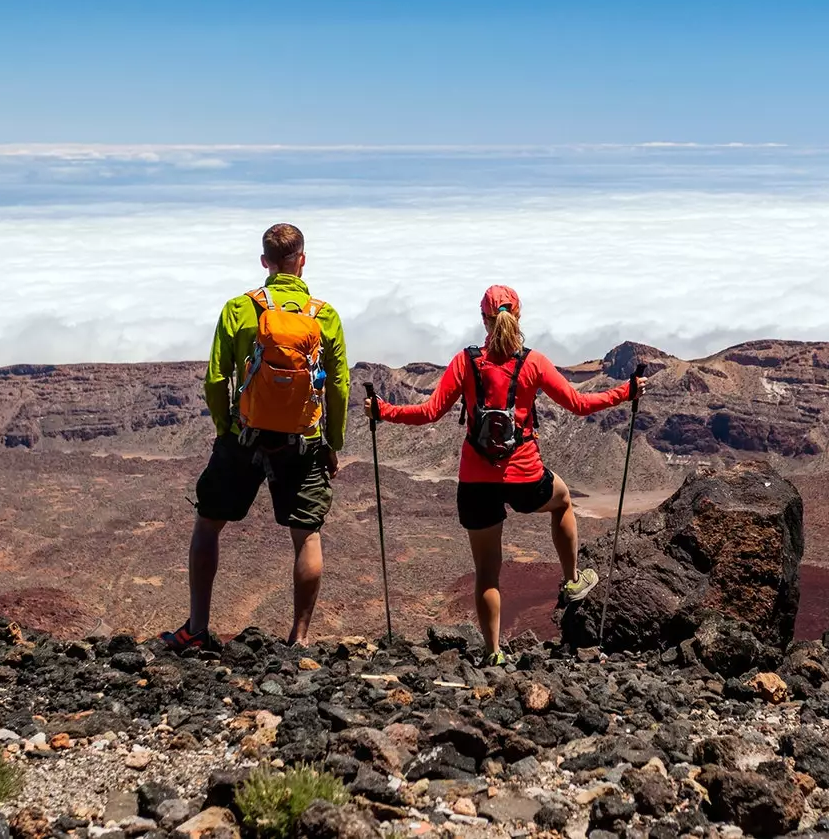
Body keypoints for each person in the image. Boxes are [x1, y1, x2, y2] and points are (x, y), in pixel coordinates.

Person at [365, 285, 643, 665]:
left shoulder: (466, 362)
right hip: (524, 475)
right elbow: (579, 404)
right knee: (561, 501)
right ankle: (573, 580)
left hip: (476, 481)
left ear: (483, 319)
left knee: (487, 572)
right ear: (519, 317)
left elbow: (430, 412)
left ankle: (493, 653)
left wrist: (383, 410)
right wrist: (625, 392)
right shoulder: (533, 363)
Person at [163, 223, 349, 649]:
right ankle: (299, 640)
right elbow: (338, 386)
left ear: (265, 262)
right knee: (307, 533)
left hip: (242, 438)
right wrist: (332, 443)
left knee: (208, 525)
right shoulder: (325, 315)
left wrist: (226, 428)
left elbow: (214, 379)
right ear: (302, 260)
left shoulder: (238, 309)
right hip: (302, 443)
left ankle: (197, 628)